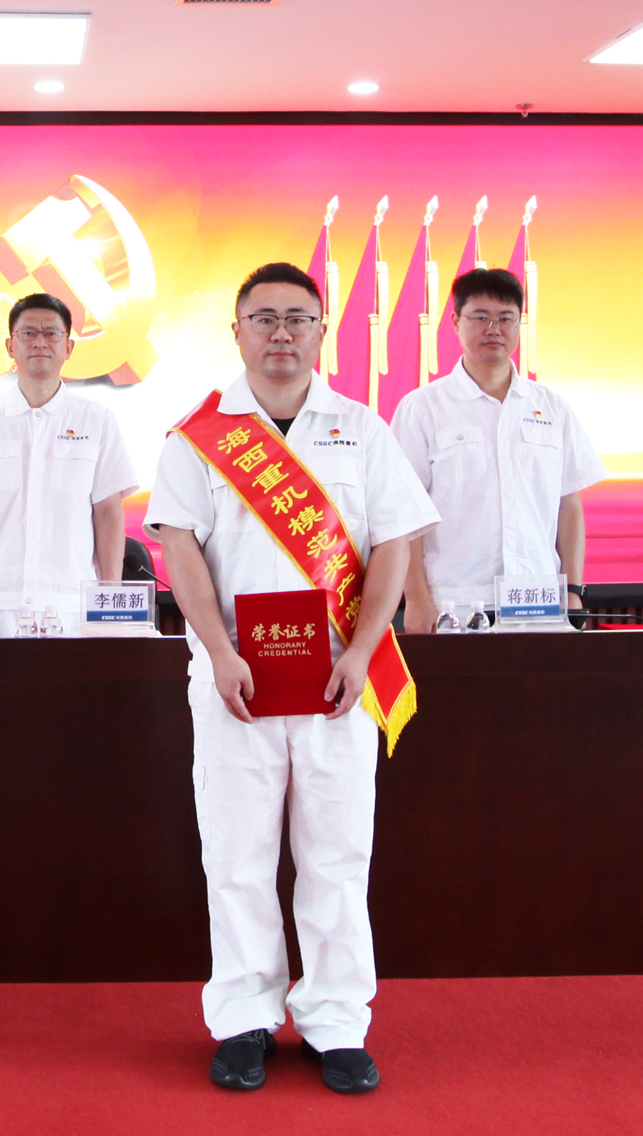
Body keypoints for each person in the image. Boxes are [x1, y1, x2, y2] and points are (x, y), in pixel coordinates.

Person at [148, 261, 437, 1096]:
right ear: (237, 331)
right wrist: (220, 651)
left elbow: (393, 545)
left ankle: (337, 1020)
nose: (281, 333)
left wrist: (361, 649)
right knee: (236, 855)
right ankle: (244, 1018)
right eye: (264, 318)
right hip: (235, 681)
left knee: (337, 856)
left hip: (338, 682)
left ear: (321, 331)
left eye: (297, 318)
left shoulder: (362, 428)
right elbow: (181, 552)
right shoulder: (197, 436)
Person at [391, 268, 606, 633]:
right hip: (454, 603)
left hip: (538, 600)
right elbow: (404, 513)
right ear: (455, 321)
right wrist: (416, 599)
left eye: (506, 318)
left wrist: (572, 592)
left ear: (520, 324)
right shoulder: (423, 408)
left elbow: (568, 506)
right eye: (481, 318)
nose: (494, 329)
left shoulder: (550, 407)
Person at [0, 292, 140, 638]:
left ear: (68, 347)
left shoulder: (96, 419)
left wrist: (109, 602)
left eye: (51, 333)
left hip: (73, 603)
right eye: (28, 333)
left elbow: (107, 512)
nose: (40, 342)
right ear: (10, 346)